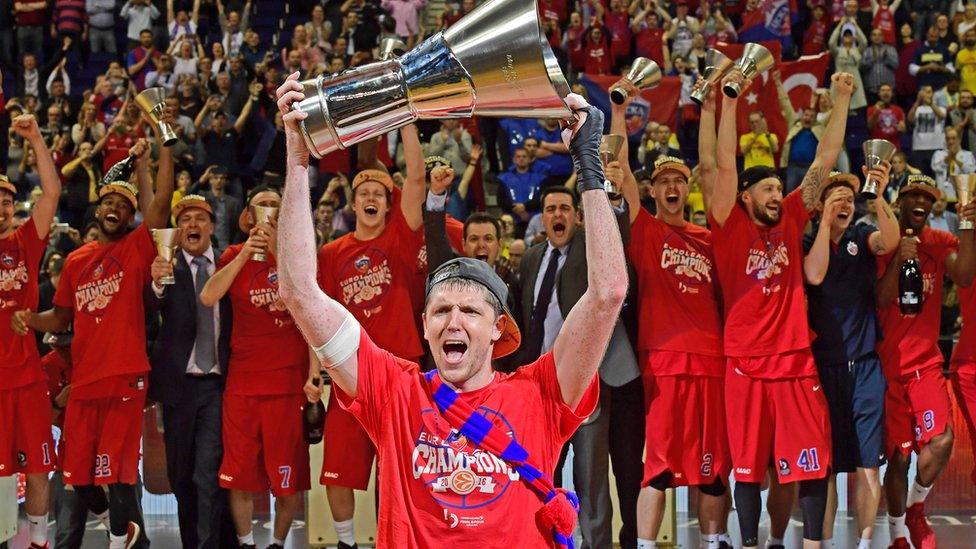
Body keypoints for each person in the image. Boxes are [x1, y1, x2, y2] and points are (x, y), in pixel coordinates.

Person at [275, 71, 628, 546]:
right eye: (440, 311)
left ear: (498, 328)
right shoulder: (394, 392)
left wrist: (590, 168)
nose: (453, 322)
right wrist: (297, 163)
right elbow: (300, 291)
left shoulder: (540, 394)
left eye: (469, 311)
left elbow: (607, 293)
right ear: (424, 326)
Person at [710, 69, 855, 549]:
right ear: (747, 197)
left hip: (794, 359)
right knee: (748, 465)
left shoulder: (793, 216)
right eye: (767, 190)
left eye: (778, 188)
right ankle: (748, 543)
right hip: (745, 364)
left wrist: (840, 101)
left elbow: (825, 160)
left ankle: (813, 543)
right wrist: (730, 99)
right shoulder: (729, 224)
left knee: (813, 458)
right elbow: (724, 167)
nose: (777, 195)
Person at [11, 126, 174, 549]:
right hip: (83, 381)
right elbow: (61, 316)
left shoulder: (137, 247)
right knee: (75, 475)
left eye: (123, 205)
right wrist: (29, 318)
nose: (115, 208)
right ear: (97, 209)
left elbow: (158, 204)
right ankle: (123, 531)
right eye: (109, 202)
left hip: (124, 375)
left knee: (116, 473)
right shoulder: (76, 261)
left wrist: (154, 156)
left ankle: (121, 539)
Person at [615, 76, 731, 549]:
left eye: (677, 182)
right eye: (663, 182)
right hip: (662, 359)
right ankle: (644, 544)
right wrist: (618, 109)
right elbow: (620, 171)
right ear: (654, 190)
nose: (671, 188)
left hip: (711, 359)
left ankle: (715, 539)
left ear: (687, 191)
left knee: (712, 465)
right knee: (658, 464)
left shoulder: (709, 240)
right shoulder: (644, 230)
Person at [313, 126, 425, 548]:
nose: (372, 198)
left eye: (379, 192)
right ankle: (345, 542)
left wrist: (408, 118)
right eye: (364, 194)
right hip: (349, 373)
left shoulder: (400, 235)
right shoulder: (331, 253)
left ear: (388, 201)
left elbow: (415, 177)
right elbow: (317, 319)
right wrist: (314, 374)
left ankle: (395, 539)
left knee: (399, 468)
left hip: (399, 370)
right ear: (353, 202)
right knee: (337, 467)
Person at [198, 185, 310, 549]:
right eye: (262, 204)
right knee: (240, 476)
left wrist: (314, 374)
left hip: (287, 382)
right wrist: (248, 251)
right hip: (242, 384)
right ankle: (246, 543)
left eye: (276, 204)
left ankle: (277, 543)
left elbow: (310, 311)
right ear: (247, 217)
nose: (268, 209)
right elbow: (208, 295)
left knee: (287, 479)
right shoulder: (233, 253)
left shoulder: (298, 255)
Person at [875, 174, 976, 549]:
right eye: (913, 195)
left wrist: (966, 221)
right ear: (900, 200)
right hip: (887, 370)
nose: (920, 201)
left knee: (942, 440)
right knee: (898, 459)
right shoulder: (881, 241)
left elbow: (964, 274)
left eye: (928, 197)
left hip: (925, 366)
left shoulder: (938, 241)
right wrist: (896, 261)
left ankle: (917, 507)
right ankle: (898, 532)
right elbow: (881, 301)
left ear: (934, 205)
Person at [802, 167, 900, 549]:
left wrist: (877, 196)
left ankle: (863, 543)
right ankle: (823, 542)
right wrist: (826, 224)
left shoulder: (862, 235)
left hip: (865, 367)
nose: (845, 201)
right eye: (836, 196)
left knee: (868, 466)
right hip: (823, 369)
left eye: (849, 196)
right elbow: (814, 274)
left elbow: (889, 240)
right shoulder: (810, 241)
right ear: (820, 206)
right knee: (825, 468)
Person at [147, 194, 234, 549]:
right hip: (178, 388)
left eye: (200, 218)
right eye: (185, 219)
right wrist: (155, 283)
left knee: (207, 475)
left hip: (217, 385)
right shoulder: (167, 268)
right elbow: (150, 306)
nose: (192, 225)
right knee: (180, 476)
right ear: (178, 230)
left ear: (212, 227)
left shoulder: (229, 265)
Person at [0, 114, 61, 549]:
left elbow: (53, 191)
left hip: (25, 377)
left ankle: (39, 543)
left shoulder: (25, 242)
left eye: (7, 199)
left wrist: (36, 137)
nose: (2, 206)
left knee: (38, 467)